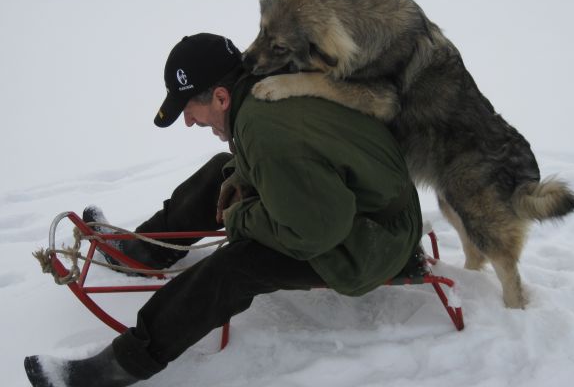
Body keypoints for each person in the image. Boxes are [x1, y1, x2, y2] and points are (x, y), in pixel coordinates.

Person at [24, 33, 424, 386]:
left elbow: (315, 232)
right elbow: (301, 161)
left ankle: (123, 364)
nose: (187, 121)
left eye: (189, 110)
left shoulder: (266, 132)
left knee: (238, 265)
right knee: (223, 171)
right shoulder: (262, 90)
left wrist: (241, 218)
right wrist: (243, 177)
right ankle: (144, 251)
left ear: (220, 96)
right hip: (359, 202)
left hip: (376, 241)